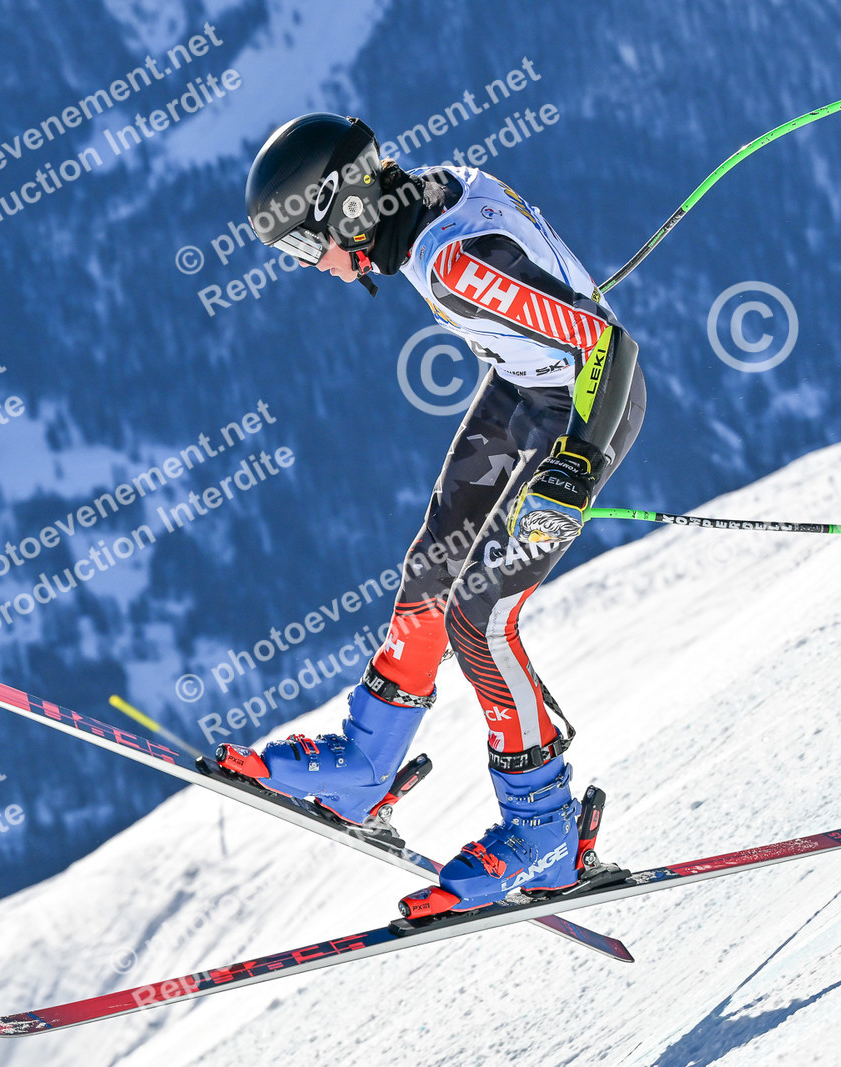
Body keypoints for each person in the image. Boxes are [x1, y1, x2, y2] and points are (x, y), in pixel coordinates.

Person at [217, 113, 646, 916]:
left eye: (306, 245)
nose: (313, 266)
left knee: (481, 618)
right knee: (432, 568)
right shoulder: (424, 205)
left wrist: (577, 466)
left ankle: (547, 832)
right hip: (524, 388)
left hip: (582, 412)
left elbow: (609, 347)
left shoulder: (452, 262)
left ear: (347, 207)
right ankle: (365, 764)